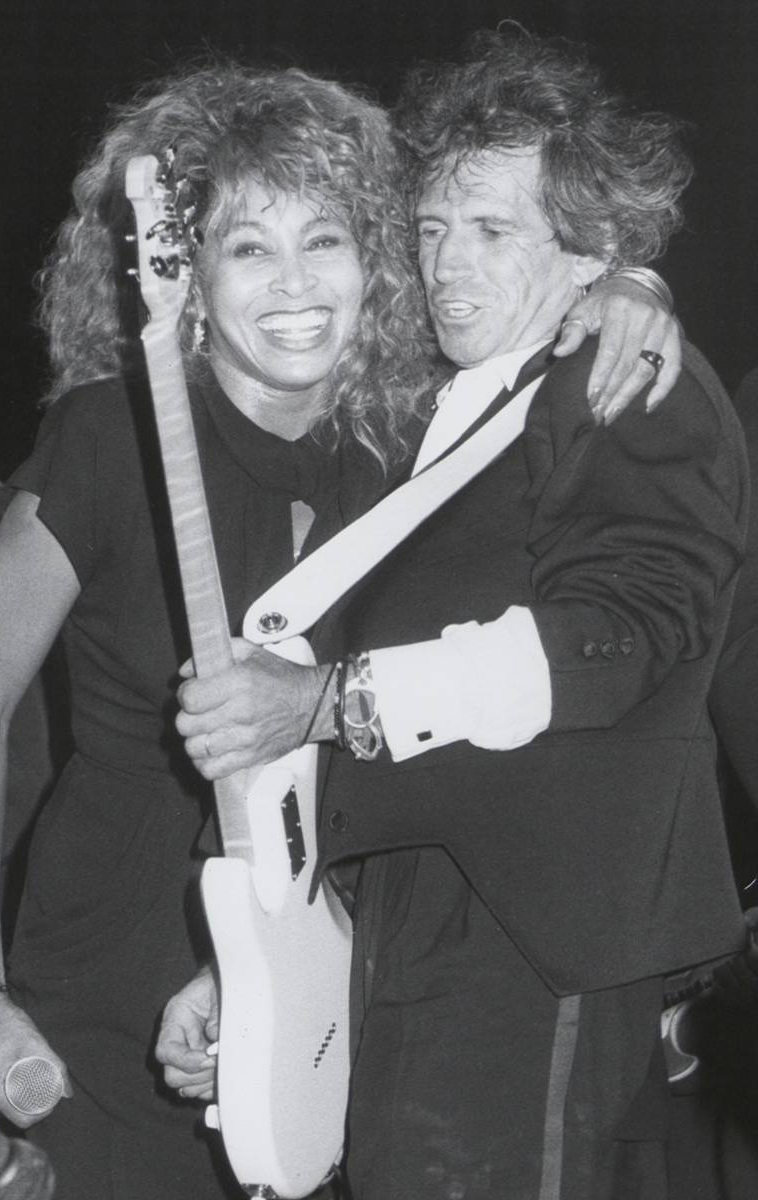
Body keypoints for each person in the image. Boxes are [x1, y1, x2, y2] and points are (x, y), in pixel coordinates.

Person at [0, 53, 678, 1200]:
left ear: (372, 261)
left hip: (313, 989)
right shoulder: (111, 438)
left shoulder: (400, 466)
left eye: (324, 239)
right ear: (186, 275)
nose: (292, 284)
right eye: (248, 247)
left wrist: (626, 285)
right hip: (93, 991)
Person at [163, 31, 748, 1200]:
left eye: (490, 229)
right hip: (409, 915)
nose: (445, 263)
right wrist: (253, 951)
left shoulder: (623, 379)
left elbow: (616, 639)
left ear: (592, 251)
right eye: (431, 229)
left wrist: (324, 701)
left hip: (530, 932)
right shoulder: (448, 420)